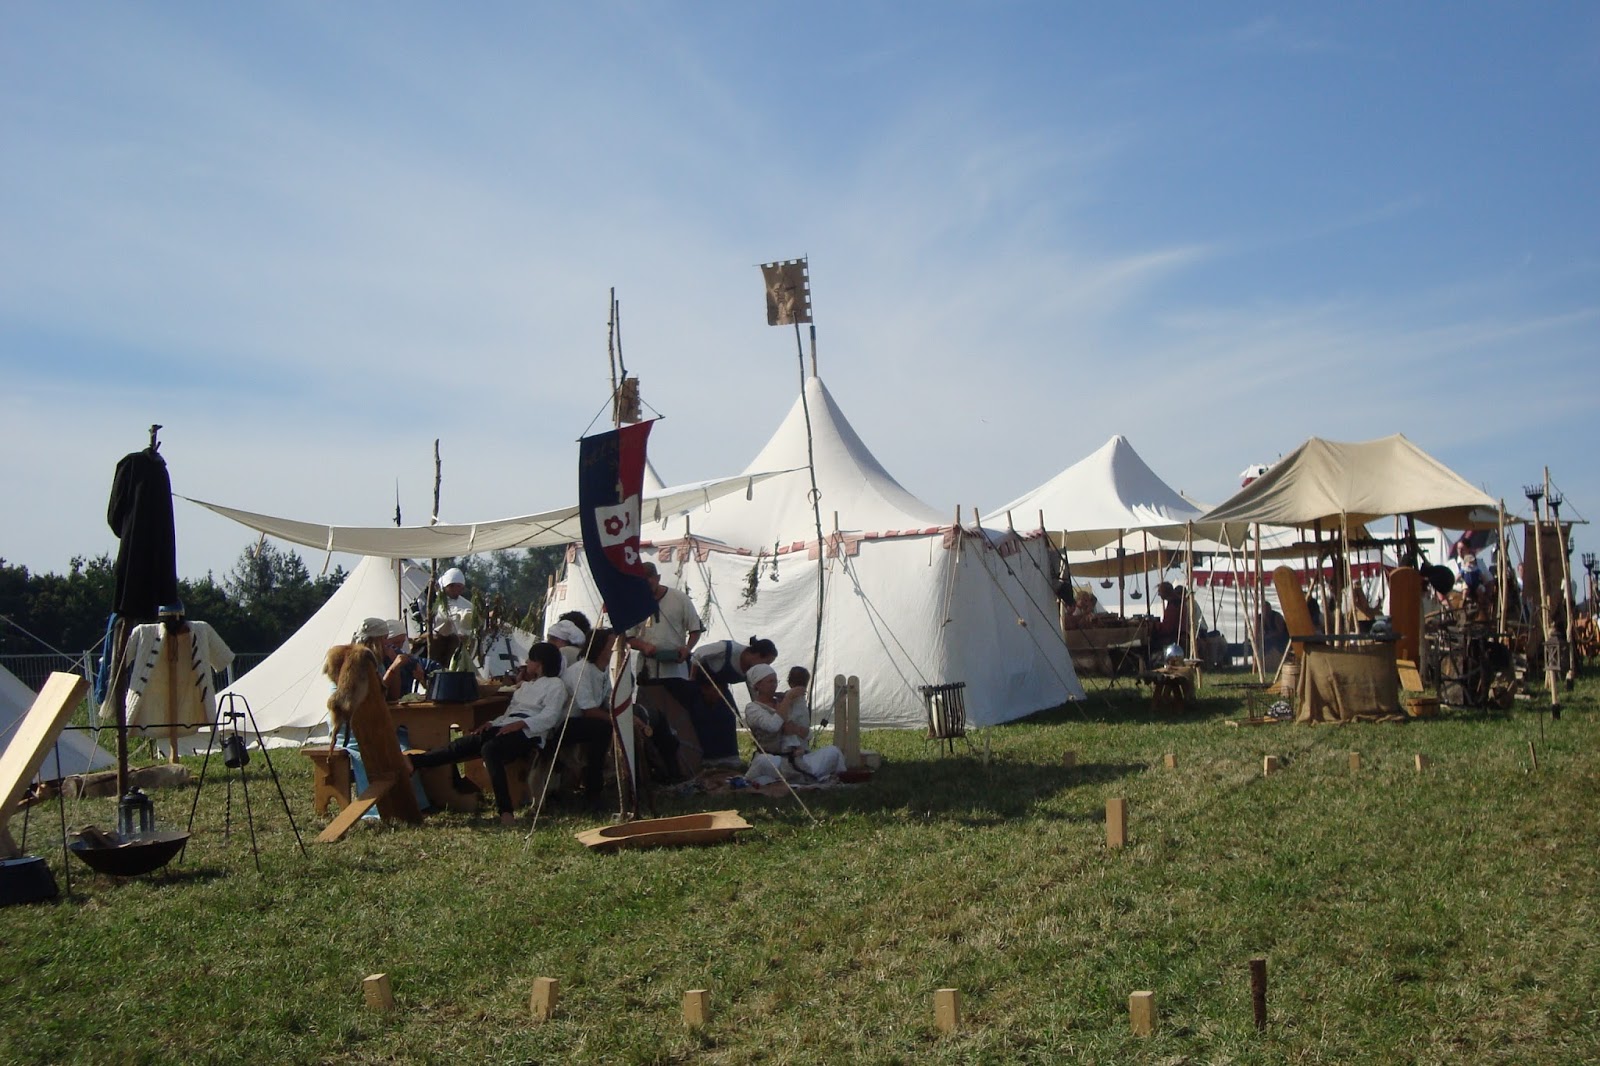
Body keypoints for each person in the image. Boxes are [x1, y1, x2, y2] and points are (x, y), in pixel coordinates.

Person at [408, 642, 568, 824]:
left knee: (490, 749)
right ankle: (414, 762)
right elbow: (509, 713)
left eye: (530, 660)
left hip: (530, 732)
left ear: (539, 663)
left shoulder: (556, 686)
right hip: (508, 725)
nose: (527, 663)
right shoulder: (525, 687)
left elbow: (550, 716)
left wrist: (521, 724)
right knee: (466, 743)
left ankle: (505, 810)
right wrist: (492, 723)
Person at [626, 562, 727, 762]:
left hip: (675, 670)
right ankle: (655, 761)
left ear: (657, 578)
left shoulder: (679, 598)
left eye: (649, 580)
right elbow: (628, 637)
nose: (646, 586)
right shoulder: (635, 601)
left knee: (679, 715)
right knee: (650, 716)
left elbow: (695, 629)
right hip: (648, 669)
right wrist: (643, 646)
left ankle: (686, 759)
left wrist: (686, 649)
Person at [742, 664, 844, 785]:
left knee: (833, 751)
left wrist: (797, 730)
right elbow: (773, 726)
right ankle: (807, 776)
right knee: (763, 761)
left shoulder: (784, 701)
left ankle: (797, 777)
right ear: (757, 685)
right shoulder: (752, 708)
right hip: (773, 759)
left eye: (776, 681)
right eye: (770, 681)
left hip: (797, 759)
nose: (774, 685)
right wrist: (788, 698)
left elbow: (809, 734)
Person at [690, 636, 778, 766]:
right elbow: (697, 654)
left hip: (720, 689)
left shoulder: (752, 670)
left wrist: (762, 705)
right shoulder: (727, 649)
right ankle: (705, 759)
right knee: (703, 717)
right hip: (700, 685)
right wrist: (692, 681)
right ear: (757, 655)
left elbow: (754, 690)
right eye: (766, 663)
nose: (766, 667)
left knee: (728, 716)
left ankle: (727, 758)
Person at [555, 627, 618, 809]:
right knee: (602, 729)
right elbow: (588, 710)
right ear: (600, 647)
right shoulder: (581, 670)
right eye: (612, 644)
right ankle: (593, 790)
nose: (615, 648)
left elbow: (609, 701)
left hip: (584, 721)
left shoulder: (603, 671)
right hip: (565, 723)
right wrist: (615, 720)